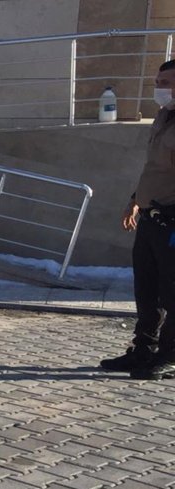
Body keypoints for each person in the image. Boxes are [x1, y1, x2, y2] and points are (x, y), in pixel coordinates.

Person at [101, 59, 175, 379]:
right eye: (158, 81)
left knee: (172, 292)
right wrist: (135, 200)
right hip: (149, 218)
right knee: (146, 290)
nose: (158, 87)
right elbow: (154, 169)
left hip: (172, 222)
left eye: (166, 82)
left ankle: (170, 356)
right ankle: (143, 349)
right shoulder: (164, 116)